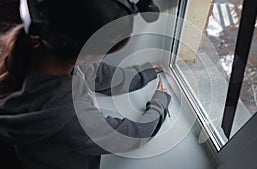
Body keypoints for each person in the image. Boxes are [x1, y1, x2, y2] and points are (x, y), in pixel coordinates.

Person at [0, 0, 171, 169]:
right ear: (85, 55)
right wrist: (160, 103)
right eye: (106, 52)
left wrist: (143, 73)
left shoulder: (32, 50)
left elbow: (98, 74)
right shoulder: (68, 116)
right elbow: (128, 137)